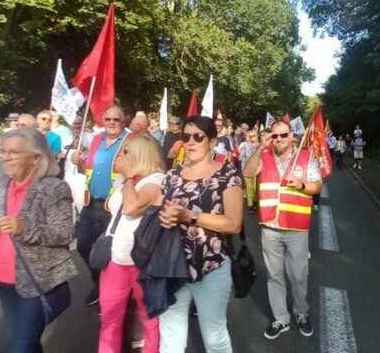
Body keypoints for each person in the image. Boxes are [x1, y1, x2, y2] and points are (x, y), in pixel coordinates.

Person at [0, 127, 77, 353]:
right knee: (28, 344)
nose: (5, 157)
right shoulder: (1, 185)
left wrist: (25, 228)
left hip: (38, 283)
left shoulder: (54, 187)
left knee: (21, 347)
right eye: (3, 151)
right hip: (6, 280)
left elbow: (65, 233)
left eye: (14, 153)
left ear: (35, 158)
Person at [158, 114, 243, 353]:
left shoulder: (228, 175)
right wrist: (162, 217)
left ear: (213, 141)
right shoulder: (172, 176)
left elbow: (233, 224)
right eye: (186, 136)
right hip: (172, 266)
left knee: (214, 338)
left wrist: (190, 216)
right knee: (170, 338)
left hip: (211, 266)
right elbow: (158, 209)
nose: (191, 142)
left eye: (199, 136)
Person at [243, 120, 322, 340]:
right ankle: (281, 318)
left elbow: (317, 185)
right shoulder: (264, 155)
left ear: (292, 136)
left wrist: (302, 185)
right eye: (274, 136)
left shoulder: (305, 157)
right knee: (274, 276)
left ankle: (301, 313)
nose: (278, 139)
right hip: (270, 226)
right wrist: (260, 146)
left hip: (296, 226)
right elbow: (248, 172)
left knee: (298, 276)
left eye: (283, 135)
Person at [97, 134, 165, 353]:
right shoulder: (128, 180)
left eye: (126, 151)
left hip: (142, 262)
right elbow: (111, 206)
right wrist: (125, 179)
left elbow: (130, 207)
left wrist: (128, 178)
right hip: (115, 260)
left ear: (140, 154)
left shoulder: (156, 180)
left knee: (149, 321)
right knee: (109, 320)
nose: (120, 155)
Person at [73, 105, 129, 305]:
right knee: (83, 245)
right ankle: (99, 282)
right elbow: (90, 170)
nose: (112, 123)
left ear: (123, 122)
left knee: (110, 251)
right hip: (91, 202)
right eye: (108, 119)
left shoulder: (129, 141)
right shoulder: (97, 139)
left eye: (116, 119)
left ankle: (111, 291)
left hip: (112, 206)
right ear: (103, 121)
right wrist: (79, 162)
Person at [238, 130, 259, 213]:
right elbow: (241, 157)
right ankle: (250, 206)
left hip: (257, 170)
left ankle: (256, 203)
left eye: (253, 136)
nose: (251, 138)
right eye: (250, 136)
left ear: (257, 136)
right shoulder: (245, 145)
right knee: (249, 188)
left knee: (255, 188)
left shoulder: (260, 145)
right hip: (246, 169)